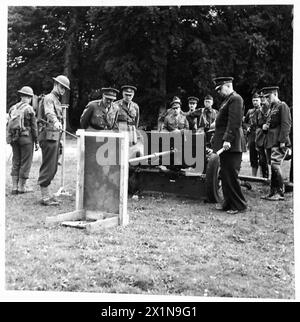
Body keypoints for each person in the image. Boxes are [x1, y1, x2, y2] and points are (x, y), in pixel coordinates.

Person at [211, 77, 247, 214]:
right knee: (225, 174)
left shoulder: (236, 99)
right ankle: (228, 202)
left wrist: (227, 140)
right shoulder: (227, 100)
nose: (219, 92)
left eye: (220, 89)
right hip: (226, 143)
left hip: (231, 144)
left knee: (231, 174)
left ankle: (239, 205)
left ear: (227, 86)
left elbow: (234, 122)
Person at [37, 75, 70, 206]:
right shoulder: (49, 98)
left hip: (54, 136)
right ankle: (45, 197)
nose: (63, 90)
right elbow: (49, 113)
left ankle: (48, 194)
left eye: (65, 88)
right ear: (55, 84)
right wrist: (56, 121)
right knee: (48, 165)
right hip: (48, 135)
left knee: (53, 165)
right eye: (62, 87)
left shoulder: (56, 99)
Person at [260, 86, 291, 201]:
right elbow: (269, 123)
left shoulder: (282, 106)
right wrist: (264, 127)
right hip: (270, 141)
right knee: (272, 166)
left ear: (275, 94)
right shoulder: (273, 107)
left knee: (275, 165)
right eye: (265, 97)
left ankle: (279, 192)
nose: (266, 99)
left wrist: (283, 141)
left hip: (278, 141)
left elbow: (286, 124)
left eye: (268, 96)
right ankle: (272, 192)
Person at [6, 86, 38, 194]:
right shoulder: (29, 109)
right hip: (26, 138)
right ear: (30, 97)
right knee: (25, 162)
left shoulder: (12, 108)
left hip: (14, 138)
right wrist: (36, 140)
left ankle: (14, 187)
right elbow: (34, 127)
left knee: (16, 161)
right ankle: (22, 187)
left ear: (21, 96)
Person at [243, 93, 260, 177]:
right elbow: (244, 122)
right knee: (253, 156)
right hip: (252, 135)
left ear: (260, 100)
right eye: (253, 101)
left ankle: (263, 176)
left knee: (262, 157)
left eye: (257, 100)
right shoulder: (250, 111)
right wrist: (247, 127)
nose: (255, 102)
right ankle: (254, 176)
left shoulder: (264, 110)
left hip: (261, 135)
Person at [255, 91, 270, 178]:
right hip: (260, 136)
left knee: (270, 157)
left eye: (264, 97)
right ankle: (263, 176)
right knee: (261, 158)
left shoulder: (272, 109)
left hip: (269, 136)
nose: (262, 99)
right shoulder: (258, 111)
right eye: (261, 98)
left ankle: (271, 176)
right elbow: (256, 124)